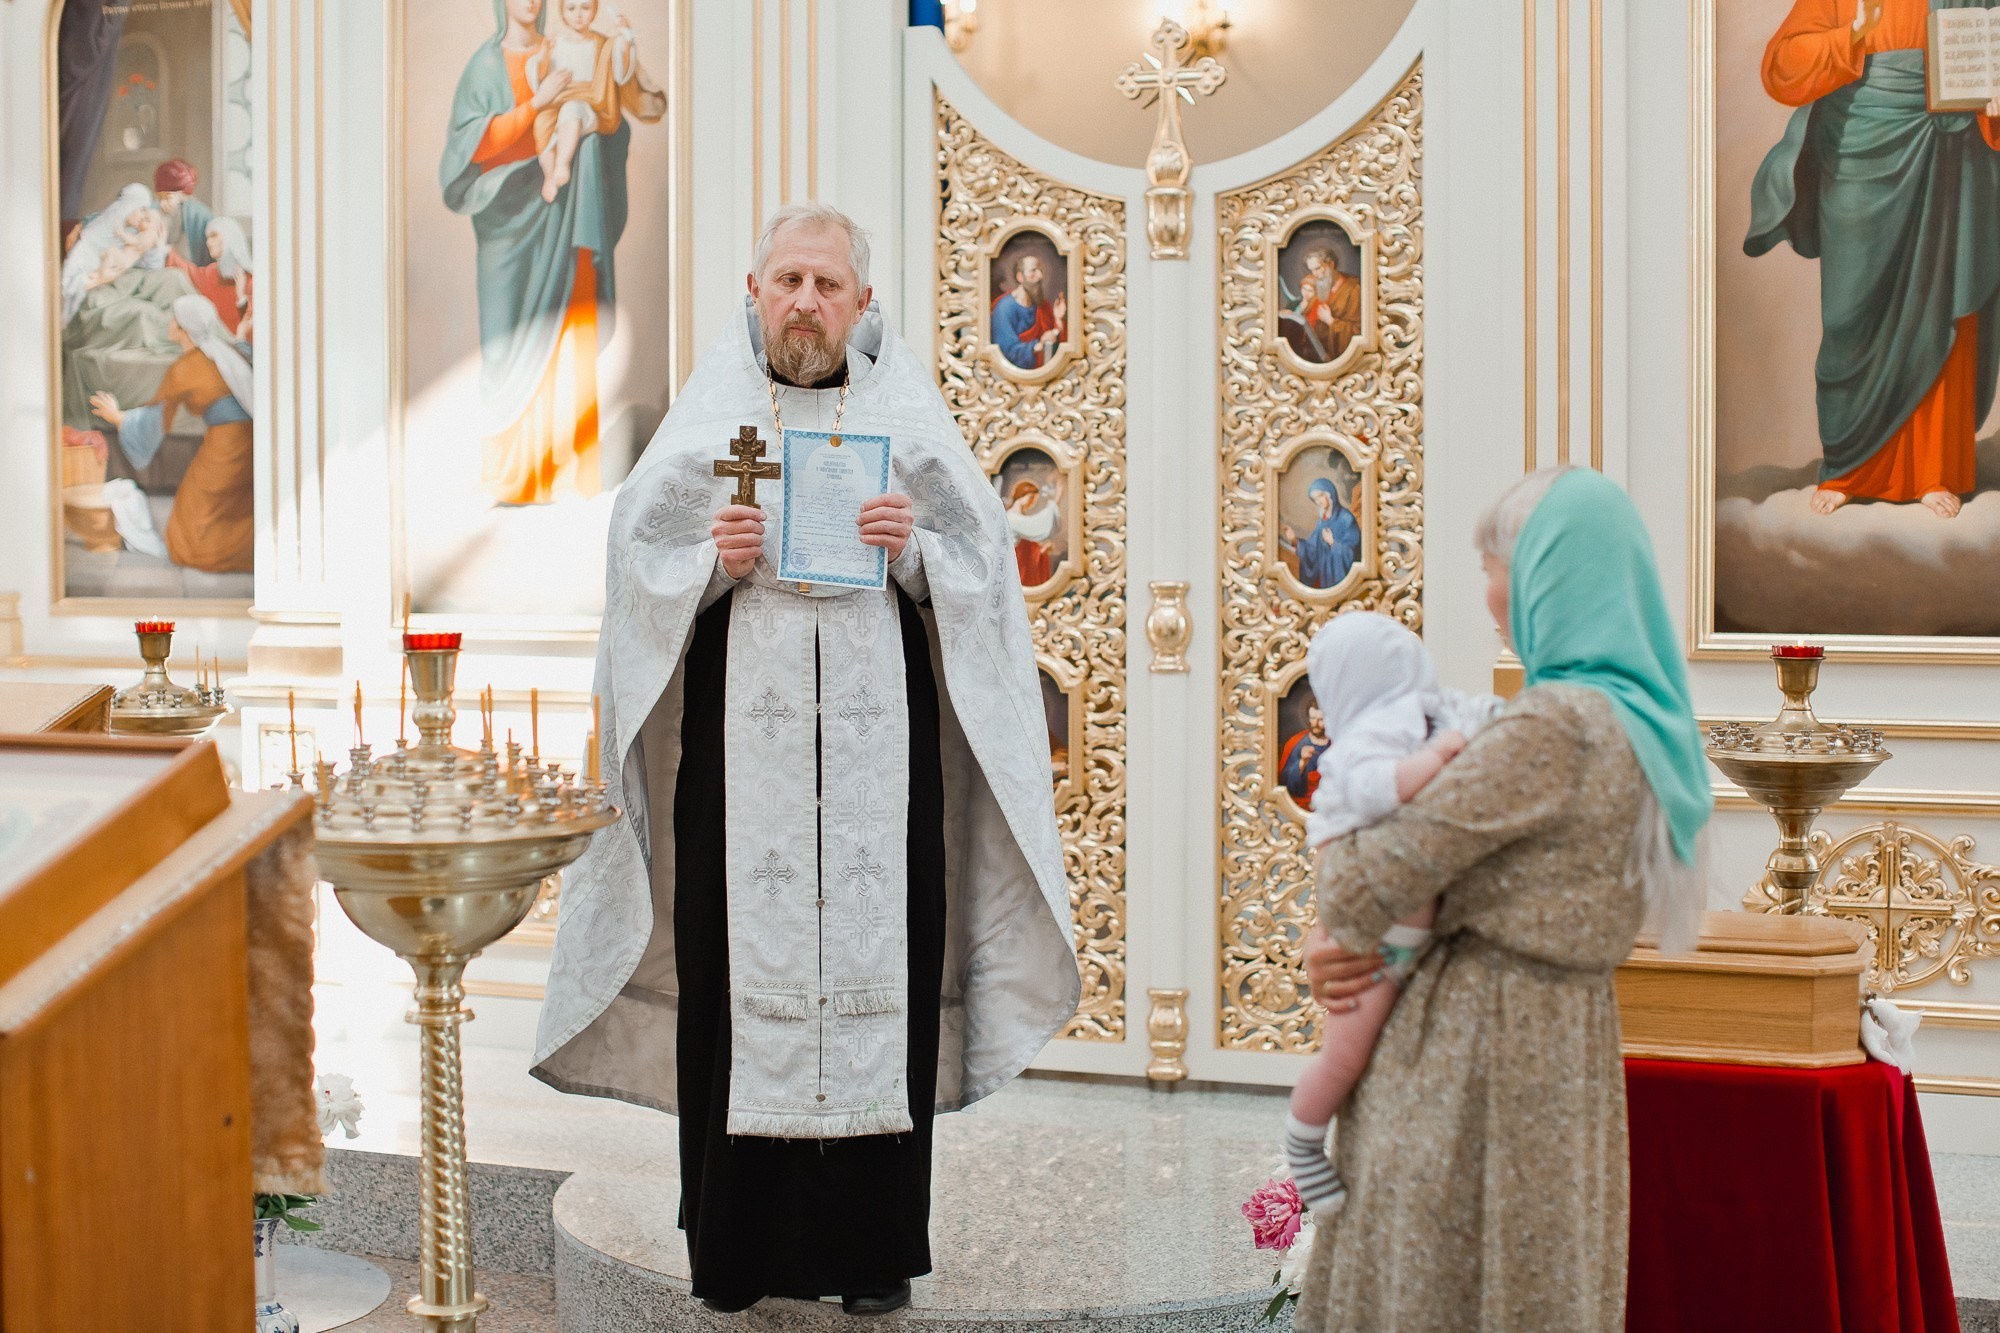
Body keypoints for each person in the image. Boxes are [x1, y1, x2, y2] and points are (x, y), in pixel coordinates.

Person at [532, 203, 1079, 1314]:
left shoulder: (904, 422)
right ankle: (734, 1252)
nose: (805, 303)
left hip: (883, 772)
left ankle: (872, 1257)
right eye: (786, 280)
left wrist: (912, 548)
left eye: (827, 285)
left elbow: (981, 577)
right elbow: (638, 561)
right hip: (743, 767)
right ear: (753, 289)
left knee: (887, 965)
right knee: (733, 979)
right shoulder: (713, 422)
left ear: (862, 303)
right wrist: (710, 561)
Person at [1294, 466, 1711, 1330]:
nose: (1488, 596)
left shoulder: (1552, 725)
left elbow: (1361, 882)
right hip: (1562, 1045)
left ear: (1552, 578)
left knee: (1441, 1285)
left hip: (1474, 1049)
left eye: (1497, 567)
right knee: (1538, 1279)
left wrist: (1338, 913)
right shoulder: (1639, 720)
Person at [1279, 612, 1503, 1219]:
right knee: (1345, 1056)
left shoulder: (1423, 714)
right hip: (1374, 932)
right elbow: (1381, 791)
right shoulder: (1363, 739)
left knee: (1370, 1054)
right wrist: (1441, 757)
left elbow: (1479, 718)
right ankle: (1303, 1144)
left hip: (1408, 936)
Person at [1749, 0, 2000, 518]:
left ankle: (1934, 470)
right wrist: (1852, 37)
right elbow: (1782, 66)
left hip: (1947, 147)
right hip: (1859, 140)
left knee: (1938, 299)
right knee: (1849, 312)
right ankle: (1848, 468)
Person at [441, 0, 665, 504]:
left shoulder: (572, 48)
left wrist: (619, 61)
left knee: (571, 328)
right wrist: (534, 105)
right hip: (508, 215)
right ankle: (509, 475)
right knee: (504, 345)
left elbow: (625, 111)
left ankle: (573, 470)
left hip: (565, 217)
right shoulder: (485, 65)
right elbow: (466, 150)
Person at [85, 294, 254, 573]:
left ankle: (262, 543)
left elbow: (156, 417)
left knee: (188, 544)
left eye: (174, 318)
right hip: (244, 443)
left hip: (228, 449)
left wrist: (118, 417)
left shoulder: (188, 367)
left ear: (185, 329)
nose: (169, 322)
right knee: (227, 509)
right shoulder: (226, 352)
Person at [526, 0, 646, 203]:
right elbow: (539, 75)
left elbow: (621, 75)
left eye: (585, 8)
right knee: (541, 123)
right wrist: (544, 57)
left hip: (594, 108)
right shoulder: (556, 43)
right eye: (571, 8)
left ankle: (562, 164)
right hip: (558, 103)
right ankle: (549, 177)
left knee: (572, 109)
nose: (578, 14)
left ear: (594, 11)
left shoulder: (604, 45)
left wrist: (627, 40)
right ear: (563, 13)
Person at [1283, 477, 1361, 590]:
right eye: (1315, 499)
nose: (1318, 501)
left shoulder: (1346, 518)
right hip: (1323, 577)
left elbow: (1353, 551)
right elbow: (1312, 549)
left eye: (1320, 496)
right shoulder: (1322, 521)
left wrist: (1333, 543)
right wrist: (1294, 540)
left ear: (1330, 494)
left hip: (1339, 579)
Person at [990, 253, 1066, 370]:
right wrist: (1039, 345)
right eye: (1033, 271)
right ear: (1020, 277)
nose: (1040, 276)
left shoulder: (1042, 305)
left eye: (1040, 271)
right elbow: (1006, 352)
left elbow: (1054, 339)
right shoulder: (1004, 308)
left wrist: (1058, 320)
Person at [152, 158, 215, 267]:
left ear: (183, 195)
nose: (162, 203)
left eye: (167, 197)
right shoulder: (153, 211)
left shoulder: (201, 217)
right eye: (160, 197)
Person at [1003, 476, 1058, 586]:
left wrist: (1041, 551)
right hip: (1018, 568)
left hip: (1024, 566)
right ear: (1022, 496)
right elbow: (1039, 526)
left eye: (1035, 499)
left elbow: (1028, 549)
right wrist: (1055, 502)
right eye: (1031, 497)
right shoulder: (1012, 518)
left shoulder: (1019, 517)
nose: (1033, 502)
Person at [1276, 702, 1332, 806]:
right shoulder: (1295, 743)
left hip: (1328, 801)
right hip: (1301, 802)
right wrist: (1301, 764)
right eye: (1313, 718)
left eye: (1321, 720)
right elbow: (1283, 780)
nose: (1316, 723)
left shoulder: (1336, 743)